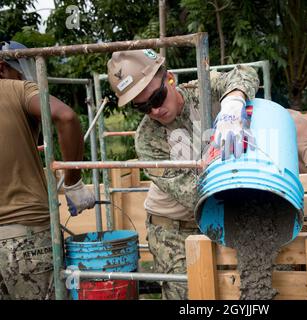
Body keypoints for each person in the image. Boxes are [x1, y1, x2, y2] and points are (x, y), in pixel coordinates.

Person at [107, 49, 259, 299]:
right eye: (143, 107)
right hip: (173, 232)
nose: (154, 111)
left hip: (221, 213)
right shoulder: (148, 139)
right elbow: (194, 192)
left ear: (170, 79)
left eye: (156, 98)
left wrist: (233, 100)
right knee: (190, 295)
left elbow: (245, 73)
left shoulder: (203, 91)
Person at [0, 41, 95, 300]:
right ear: (2, 68)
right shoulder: (16, 89)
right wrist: (73, 183)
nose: (25, 77)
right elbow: (65, 117)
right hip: (24, 235)